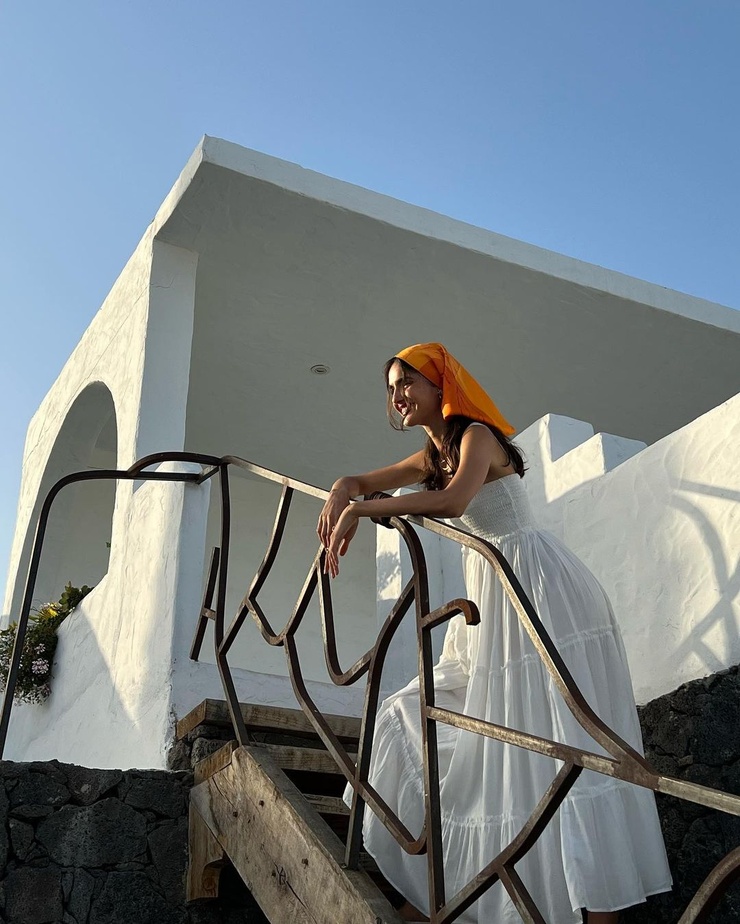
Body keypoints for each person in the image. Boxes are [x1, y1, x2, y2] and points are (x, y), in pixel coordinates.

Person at [317, 343, 672, 924]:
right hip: (492, 596)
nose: (398, 395)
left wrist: (365, 511)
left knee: (564, 739)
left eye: (408, 381)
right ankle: (455, 888)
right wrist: (342, 490)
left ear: (440, 387)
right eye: (391, 387)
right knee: (413, 712)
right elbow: (359, 480)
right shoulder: (431, 454)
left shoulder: (477, 436)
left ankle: (597, 909)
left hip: (539, 588)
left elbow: (455, 501)